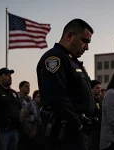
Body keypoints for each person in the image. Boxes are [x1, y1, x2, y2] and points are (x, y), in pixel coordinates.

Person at [37, 18, 95, 150]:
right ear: (69, 36)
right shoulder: (54, 58)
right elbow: (57, 98)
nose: (87, 47)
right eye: (84, 41)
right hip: (65, 135)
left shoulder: (72, 61)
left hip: (77, 133)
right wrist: (78, 125)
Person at [0, 68, 22, 150]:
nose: (10, 77)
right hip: (2, 131)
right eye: (6, 75)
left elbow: (20, 108)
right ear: (0, 78)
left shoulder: (13, 93)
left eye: (10, 75)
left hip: (14, 130)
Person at [17, 81, 45, 150]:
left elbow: (37, 116)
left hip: (33, 132)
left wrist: (34, 130)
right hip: (21, 133)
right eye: (26, 86)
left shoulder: (32, 102)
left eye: (29, 86)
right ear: (20, 88)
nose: (28, 88)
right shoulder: (16, 99)